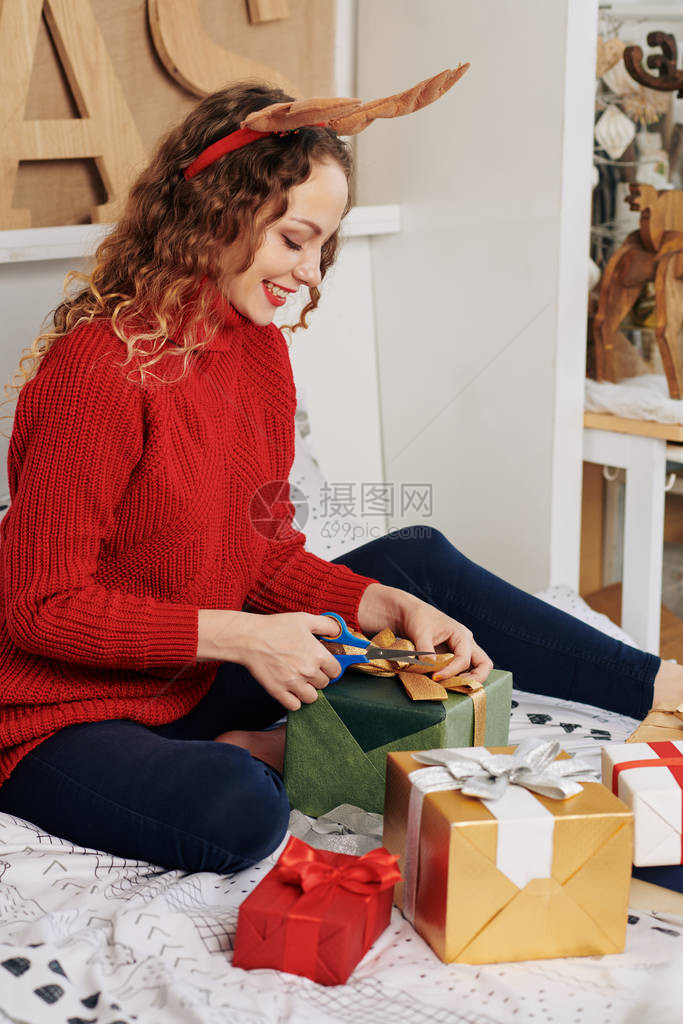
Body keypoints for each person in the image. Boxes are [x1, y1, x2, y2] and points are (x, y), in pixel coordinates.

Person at [0, 81, 680, 877]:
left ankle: (662, 684)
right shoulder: (99, 367)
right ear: (216, 211)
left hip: (193, 676)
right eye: (295, 240)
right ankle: (261, 752)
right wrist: (243, 636)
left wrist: (381, 604)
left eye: (325, 246)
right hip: (58, 712)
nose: (311, 272)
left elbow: (262, 557)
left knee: (415, 559)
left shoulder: (258, 353)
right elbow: (38, 608)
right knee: (236, 815)